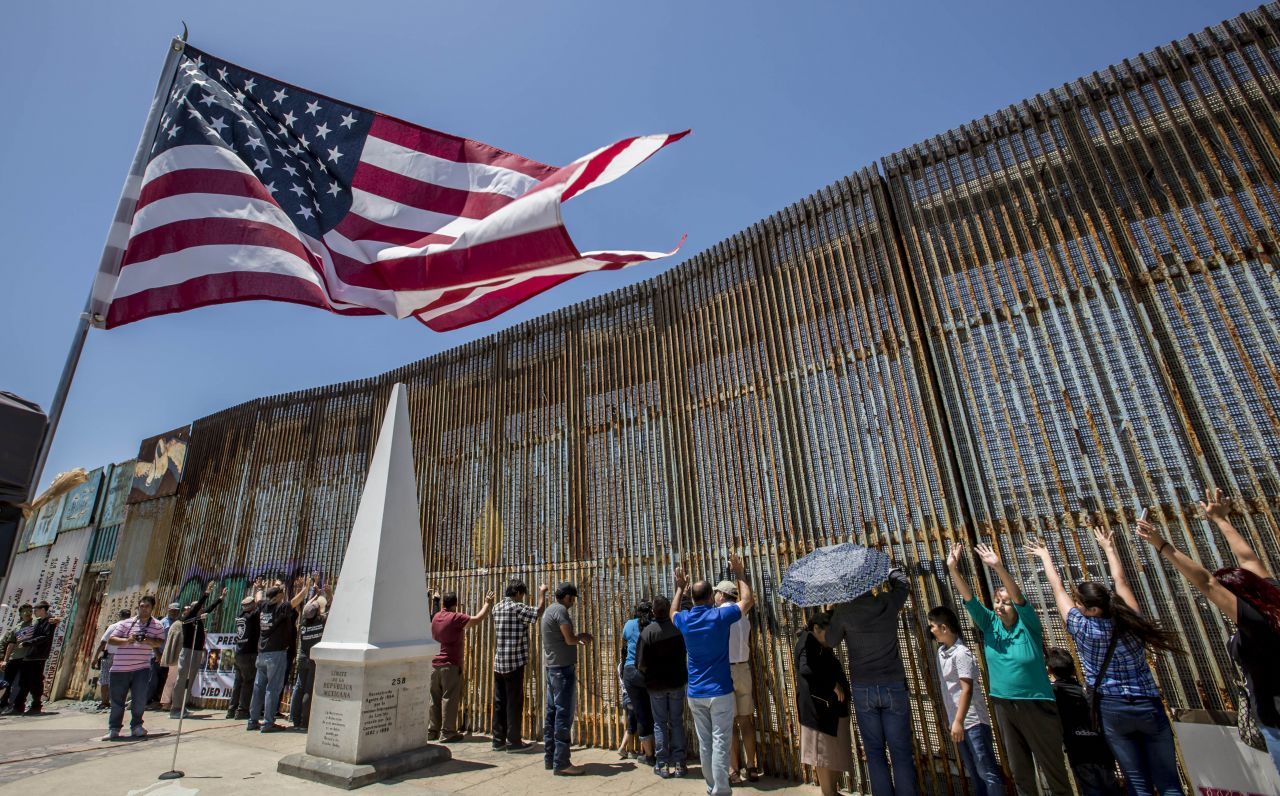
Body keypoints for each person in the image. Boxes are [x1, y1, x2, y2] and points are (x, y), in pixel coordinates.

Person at [1028, 526, 1185, 796]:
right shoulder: (1132, 623)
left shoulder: (1082, 628)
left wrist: (1045, 557)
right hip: (1147, 703)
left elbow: (1057, 589)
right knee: (1169, 782)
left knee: (1137, 782)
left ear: (1093, 610)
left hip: (1112, 707)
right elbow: (1121, 581)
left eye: (1080, 602)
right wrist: (1109, 549)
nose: (1075, 605)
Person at [1135, 489, 1280, 777]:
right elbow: (1249, 560)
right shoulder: (1273, 597)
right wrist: (1220, 519)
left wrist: (1161, 544)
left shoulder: (1257, 623)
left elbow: (1208, 584)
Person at [946, 542, 1071, 795]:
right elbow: (969, 599)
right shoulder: (990, 625)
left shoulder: (1028, 626)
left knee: (1053, 770)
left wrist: (998, 567)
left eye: (1005, 603)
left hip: (1035, 704)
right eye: (997, 602)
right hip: (1004, 704)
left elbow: (1018, 598)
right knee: (1020, 772)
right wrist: (953, 569)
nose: (1000, 606)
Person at [826, 564, 916, 796]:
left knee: (874, 751)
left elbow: (831, 640)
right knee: (900, 751)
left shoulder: (844, 612)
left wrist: (830, 612)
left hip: (863, 686)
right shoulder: (886, 602)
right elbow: (903, 585)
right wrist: (890, 570)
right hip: (893, 682)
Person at [672, 553, 755, 796]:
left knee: (705, 743)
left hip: (696, 692)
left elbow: (672, 612)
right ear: (711, 598)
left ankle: (712, 787)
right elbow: (748, 601)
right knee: (721, 741)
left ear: (694, 599)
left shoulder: (686, 620)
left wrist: (678, 588)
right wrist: (739, 573)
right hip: (719, 691)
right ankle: (720, 790)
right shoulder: (719, 616)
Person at [926, 606, 1002, 796]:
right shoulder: (942, 653)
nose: (931, 630)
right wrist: (951, 719)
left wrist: (958, 720)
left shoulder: (962, 653)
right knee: (974, 772)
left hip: (973, 721)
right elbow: (946, 689)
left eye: (933, 626)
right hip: (957, 722)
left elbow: (966, 689)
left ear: (944, 628)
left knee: (986, 771)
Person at [1045, 647, 1123, 796]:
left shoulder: (1052, 693)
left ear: (1049, 670)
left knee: (1091, 789)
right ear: (1073, 669)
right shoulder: (1085, 690)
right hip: (1102, 750)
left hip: (1078, 751)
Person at [796, 610, 853, 796]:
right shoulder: (807, 643)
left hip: (828, 709)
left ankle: (832, 792)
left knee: (832, 754)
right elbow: (806, 669)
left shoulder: (817, 642)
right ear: (816, 628)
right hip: (819, 710)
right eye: (828, 632)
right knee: (823, 756)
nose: (832, 637)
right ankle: (829, 793)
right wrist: (831, 683)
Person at [427, 588, 494, 742]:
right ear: (455, 604)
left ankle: (432, 731)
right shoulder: (455, 617)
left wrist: (435, 600)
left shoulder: (436, 617)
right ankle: (448, 732)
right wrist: (486, 603)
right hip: (450, 664)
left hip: (434, 664)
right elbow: (477, 619)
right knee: (449, 698)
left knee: (434, 699)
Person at [541, 582, 593, 776]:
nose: (573, 602)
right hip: (561, 671)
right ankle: (562, 763)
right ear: (568, 596)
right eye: (573, 598)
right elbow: (569, 639)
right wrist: (583, 636)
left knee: (552, 714)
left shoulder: (549, 610)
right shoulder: (561, 611)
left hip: (552, 668)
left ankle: (550, 758)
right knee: (563, 715)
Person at [491, 579, 548, 751]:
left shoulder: (497, 607)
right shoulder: (516, 607)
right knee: (514, 703)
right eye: (522, 595)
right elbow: (538, 612)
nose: (522, 598)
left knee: (500, 702)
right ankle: (514, 742)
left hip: (499, 662)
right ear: (517, 593)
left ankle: (498, 740)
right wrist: (542, 592)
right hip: (514, 662)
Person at [637, 593, 688, 779]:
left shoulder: (647, 633)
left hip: (656, 684)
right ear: (669, 610)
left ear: (653, 612)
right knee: (676, 721)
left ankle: (663, 764)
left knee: (659, 723)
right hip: (676, 682)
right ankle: (680, 763)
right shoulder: (678, 629)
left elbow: (640, 663)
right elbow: (684, 654)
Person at [715, 579, 761, 784]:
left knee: (729, 724)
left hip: (726, 670)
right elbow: (746, 600)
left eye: (717, 593)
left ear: (722, 595)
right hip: (744, 668)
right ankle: (751, 766)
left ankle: (733, 769)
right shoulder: (744, 615)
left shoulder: (720, 615)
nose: (714, 596)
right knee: (746, 721)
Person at [102, 595, 166, 740]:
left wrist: (147, 640)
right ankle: (114, 728)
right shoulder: (126, 623)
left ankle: (137, 725)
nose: (144, 609)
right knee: (117, 700)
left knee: (139, 698)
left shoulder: (157, 625)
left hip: (141, 667)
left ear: (152, 608)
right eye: (141, 606)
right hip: (120, 667)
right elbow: (111, 639)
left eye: (147, 606)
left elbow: (159, 643)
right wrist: (128, 640)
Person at [247, 581, 304, 733]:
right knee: (272, 689)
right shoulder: (280, 608)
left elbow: (258, 597)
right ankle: (268, 722)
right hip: (276, 654)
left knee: (258, 688)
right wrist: (307, 587)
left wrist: (258, 587)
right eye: (281, 592)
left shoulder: (262, 606)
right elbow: (296, 601)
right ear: (278, 596)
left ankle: (252, 720)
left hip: (262, 653)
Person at [171, 581, 226, 718]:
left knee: (191, 678)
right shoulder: (187, 618)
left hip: (197, 651)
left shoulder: (199, 619)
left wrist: (220, 598)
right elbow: (199, 607)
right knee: (182, 677)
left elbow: (210, 609)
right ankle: (175, 708)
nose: (201, 609)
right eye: (198, 608)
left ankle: (183, 706)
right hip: (188, 650)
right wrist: (206, 593)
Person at [620, 599, 655, 766]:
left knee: (641, 715)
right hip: (650, 672)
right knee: (654, 712)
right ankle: (657, 751)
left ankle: (648, 755)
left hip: (631, 672)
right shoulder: (655, 625)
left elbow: (625, 638)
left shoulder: (629, 624)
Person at [10, 600, 58, 715]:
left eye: (36, 610)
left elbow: (44, 637)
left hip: (38, 656)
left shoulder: (48, 621)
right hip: (30, 655)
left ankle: (36, 706)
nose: (34, 612)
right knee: (24, 682)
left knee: (35, 682)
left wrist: (27, 643)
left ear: (42, 610)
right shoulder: (39, 621)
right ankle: (18, 706)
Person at [290, 591, 329, 730]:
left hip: (303, 656)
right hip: (313, 659)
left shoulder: (304, 623)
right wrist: (324, 597)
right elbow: (328, 610)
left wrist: (313, 595)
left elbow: (307, 609)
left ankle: (294, 718)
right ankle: (305, 721)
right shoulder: (322, 621)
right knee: (308, 689)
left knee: (298, 687)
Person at [226, 585, 262, 720]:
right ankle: (242, 711)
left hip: (239, 652)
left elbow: (252, 605)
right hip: (249, 653)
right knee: (248, 682)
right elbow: (258, 604)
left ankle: (231, 709)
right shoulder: (252, 616)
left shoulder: (240, 616)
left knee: (238, 682)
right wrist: (259, 590)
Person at [93, 609, 134, 707]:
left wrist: (95, 657)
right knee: (121, 679)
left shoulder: (113, 626)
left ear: (120, 615)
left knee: (105, 678)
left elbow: (103, 642)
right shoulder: (132, 628)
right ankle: (118, 701)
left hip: (110, 655)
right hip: (124, 656)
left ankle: (105, 701)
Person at [0, 604, 34, 714]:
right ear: (20, 614)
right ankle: (3, 704)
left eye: (29, 610)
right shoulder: (17, 627)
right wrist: (5, 659)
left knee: (23, 683)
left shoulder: (36, 623)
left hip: (27, 658)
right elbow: (11, 644)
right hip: (14, 658)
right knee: (7, 683)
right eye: (24, 611)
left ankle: (18, 706)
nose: (27, 613)